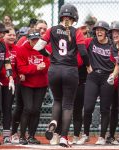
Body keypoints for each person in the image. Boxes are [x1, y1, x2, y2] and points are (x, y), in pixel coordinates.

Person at [33, 4, 91, 147]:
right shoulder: (76, 31)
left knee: (57, 100)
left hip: (54, 69)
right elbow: (83, 52)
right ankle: (64, 137)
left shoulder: (51, 29)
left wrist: (49, 55)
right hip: (70, 70)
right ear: (74, 17)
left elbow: (37, 47)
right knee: (68, 105)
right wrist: (88, 66)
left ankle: (54, 121)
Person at [79, 21, 115, 145]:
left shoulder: (112, 44)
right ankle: (86, 134)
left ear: (106, 32)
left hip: (107, 77)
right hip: (92, 77)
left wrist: (114, 74)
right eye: (97, 30)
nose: (99, 32)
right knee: (88, 107)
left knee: (105, 109)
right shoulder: (90, 41)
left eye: (102, 30)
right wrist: (87, 65)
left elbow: (118, 60)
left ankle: (102, 136)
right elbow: (80, 47)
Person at [16, 32, 50, 145]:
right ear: (28, 39)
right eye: (33, 39)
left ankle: (31, 136)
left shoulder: (43, 49)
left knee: (36, 110)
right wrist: (36, 68)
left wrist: (38, 68)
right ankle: (22, 136)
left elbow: (47, 64)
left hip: (41, 84)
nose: (35, 42)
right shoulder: (22, 50)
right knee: (28, 108)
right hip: (27, 84)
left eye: (37, 39)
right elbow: (21, 68)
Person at [0, 27, 18, 144]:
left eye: (13, 35)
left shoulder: (17, 49)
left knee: (7, 109)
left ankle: (6, 135)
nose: (11, 37)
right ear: (3, 36)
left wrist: (18, 76)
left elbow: (18, 66)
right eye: (9, 35)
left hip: (10, 83)